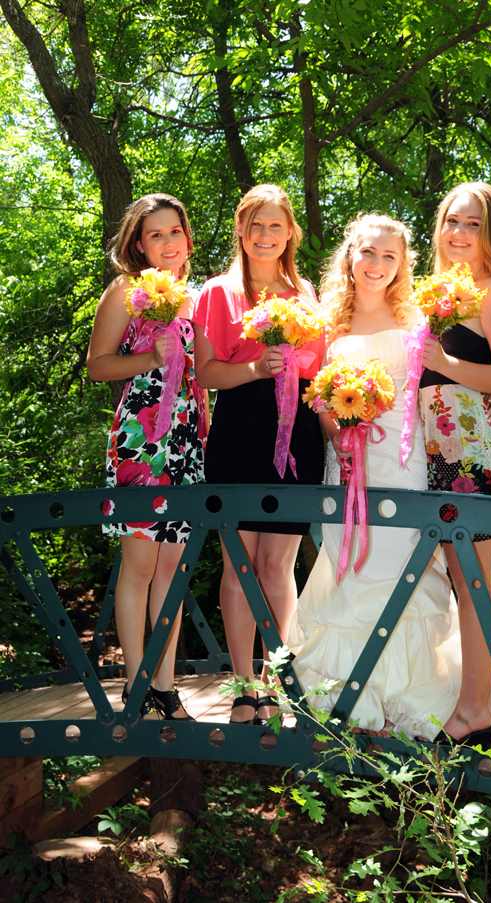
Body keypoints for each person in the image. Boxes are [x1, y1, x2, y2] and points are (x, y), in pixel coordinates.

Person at [288, 213, 462, 740]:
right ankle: (354, 697)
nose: (377, 264)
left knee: (405, 564)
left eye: (390, 256)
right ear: (350, 255)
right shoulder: (327, 323)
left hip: (404, 459)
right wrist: (338, 434)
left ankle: (404, 696)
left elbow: (446, 381)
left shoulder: (416, 318)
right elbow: (318, 395)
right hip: (349, 459)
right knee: (352, 566)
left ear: (402, 264)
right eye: (368, 252)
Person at [192, 184, 325, 726]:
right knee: (239, 564)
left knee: (277, 565)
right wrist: (255, 367)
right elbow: (205, 373)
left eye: (275, 225)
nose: (265, 235)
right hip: (240, 430)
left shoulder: (305, 292)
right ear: (241, 232)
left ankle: (275, 683)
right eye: (255, 225)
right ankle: (244, 686)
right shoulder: (216, 292)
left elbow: (321, 367)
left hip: (297, 433)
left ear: (291, 232)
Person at [420, 181, 491, 745]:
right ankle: (476, 704)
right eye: (451, 221)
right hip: (438, 450)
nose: (459, 233)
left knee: (473, 581)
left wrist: (446, 361)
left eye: (472, 223)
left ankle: (475, 710)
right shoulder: (439, 292)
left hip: (477, 453)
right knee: (461, 579)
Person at [87, 193, 207, 720]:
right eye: (155, 234)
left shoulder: (195, 298)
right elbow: (97, 365)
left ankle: (165, 684)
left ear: (187, 238)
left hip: (186, 439)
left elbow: (203, 375)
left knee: (173, 569)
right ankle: (136, 685)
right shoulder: (126, 291)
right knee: (139, 565)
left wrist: (207, 432)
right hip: (141, 437)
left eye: (174, 231)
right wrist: (147, 358)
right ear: (139, 244)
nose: (167, 242)